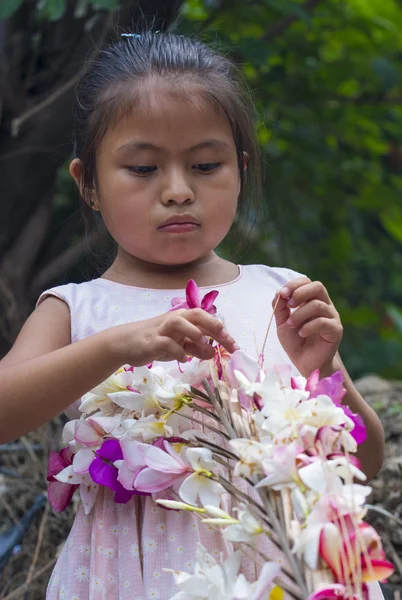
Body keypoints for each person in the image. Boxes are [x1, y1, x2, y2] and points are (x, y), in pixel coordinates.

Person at [0, 32, 385, 600]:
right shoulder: (77, 309)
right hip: (134, 579)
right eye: (142, 169)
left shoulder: (283, 293)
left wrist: (320, 379)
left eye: (206, 165)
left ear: (241, 168)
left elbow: (366, 461)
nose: (178, 191)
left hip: (285, 573)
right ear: (89, 185)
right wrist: (116, 346)